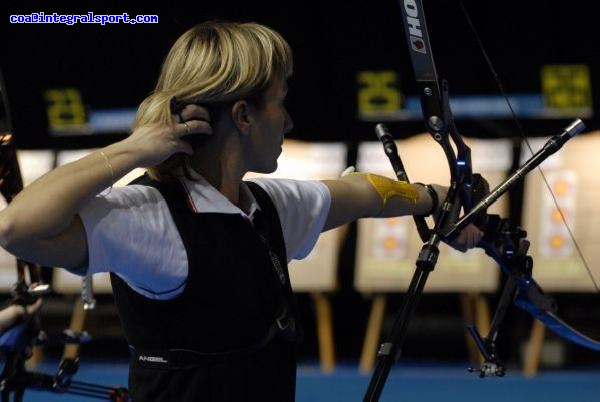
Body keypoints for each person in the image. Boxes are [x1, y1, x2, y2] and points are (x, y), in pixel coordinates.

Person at [0, 21, 482, 401]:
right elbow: (18, 226)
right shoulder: (150, 216)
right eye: (281, 102)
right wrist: (132, 151)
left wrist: (439, 198)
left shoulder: (268, 208)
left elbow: (364, 192)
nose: (290, 120)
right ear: (243, 115)